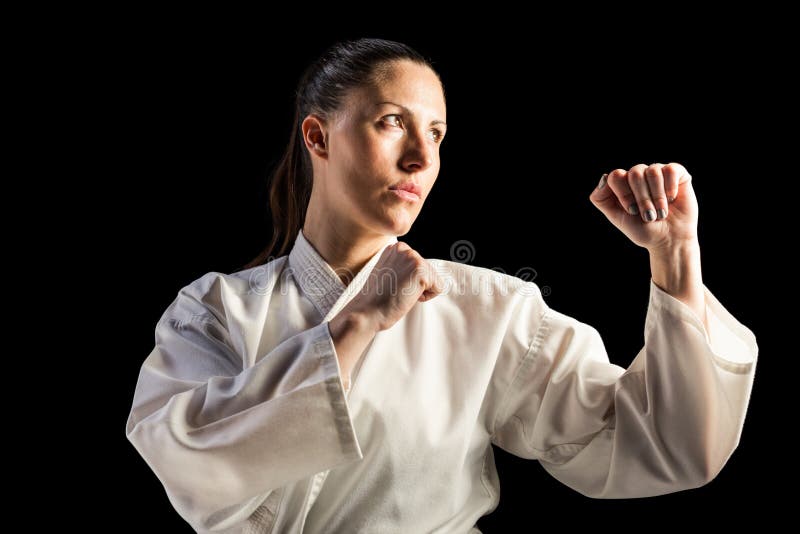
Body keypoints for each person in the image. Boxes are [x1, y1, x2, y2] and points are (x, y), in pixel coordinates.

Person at [125, 38, 758, 533]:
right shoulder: (212, 309)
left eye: (436, 134)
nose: (421, 160)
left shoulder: (487, 311)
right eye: (393, 123)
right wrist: (357, 323)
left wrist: (676, 255)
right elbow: (187, 461)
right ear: (317, 135)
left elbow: (665, 445)